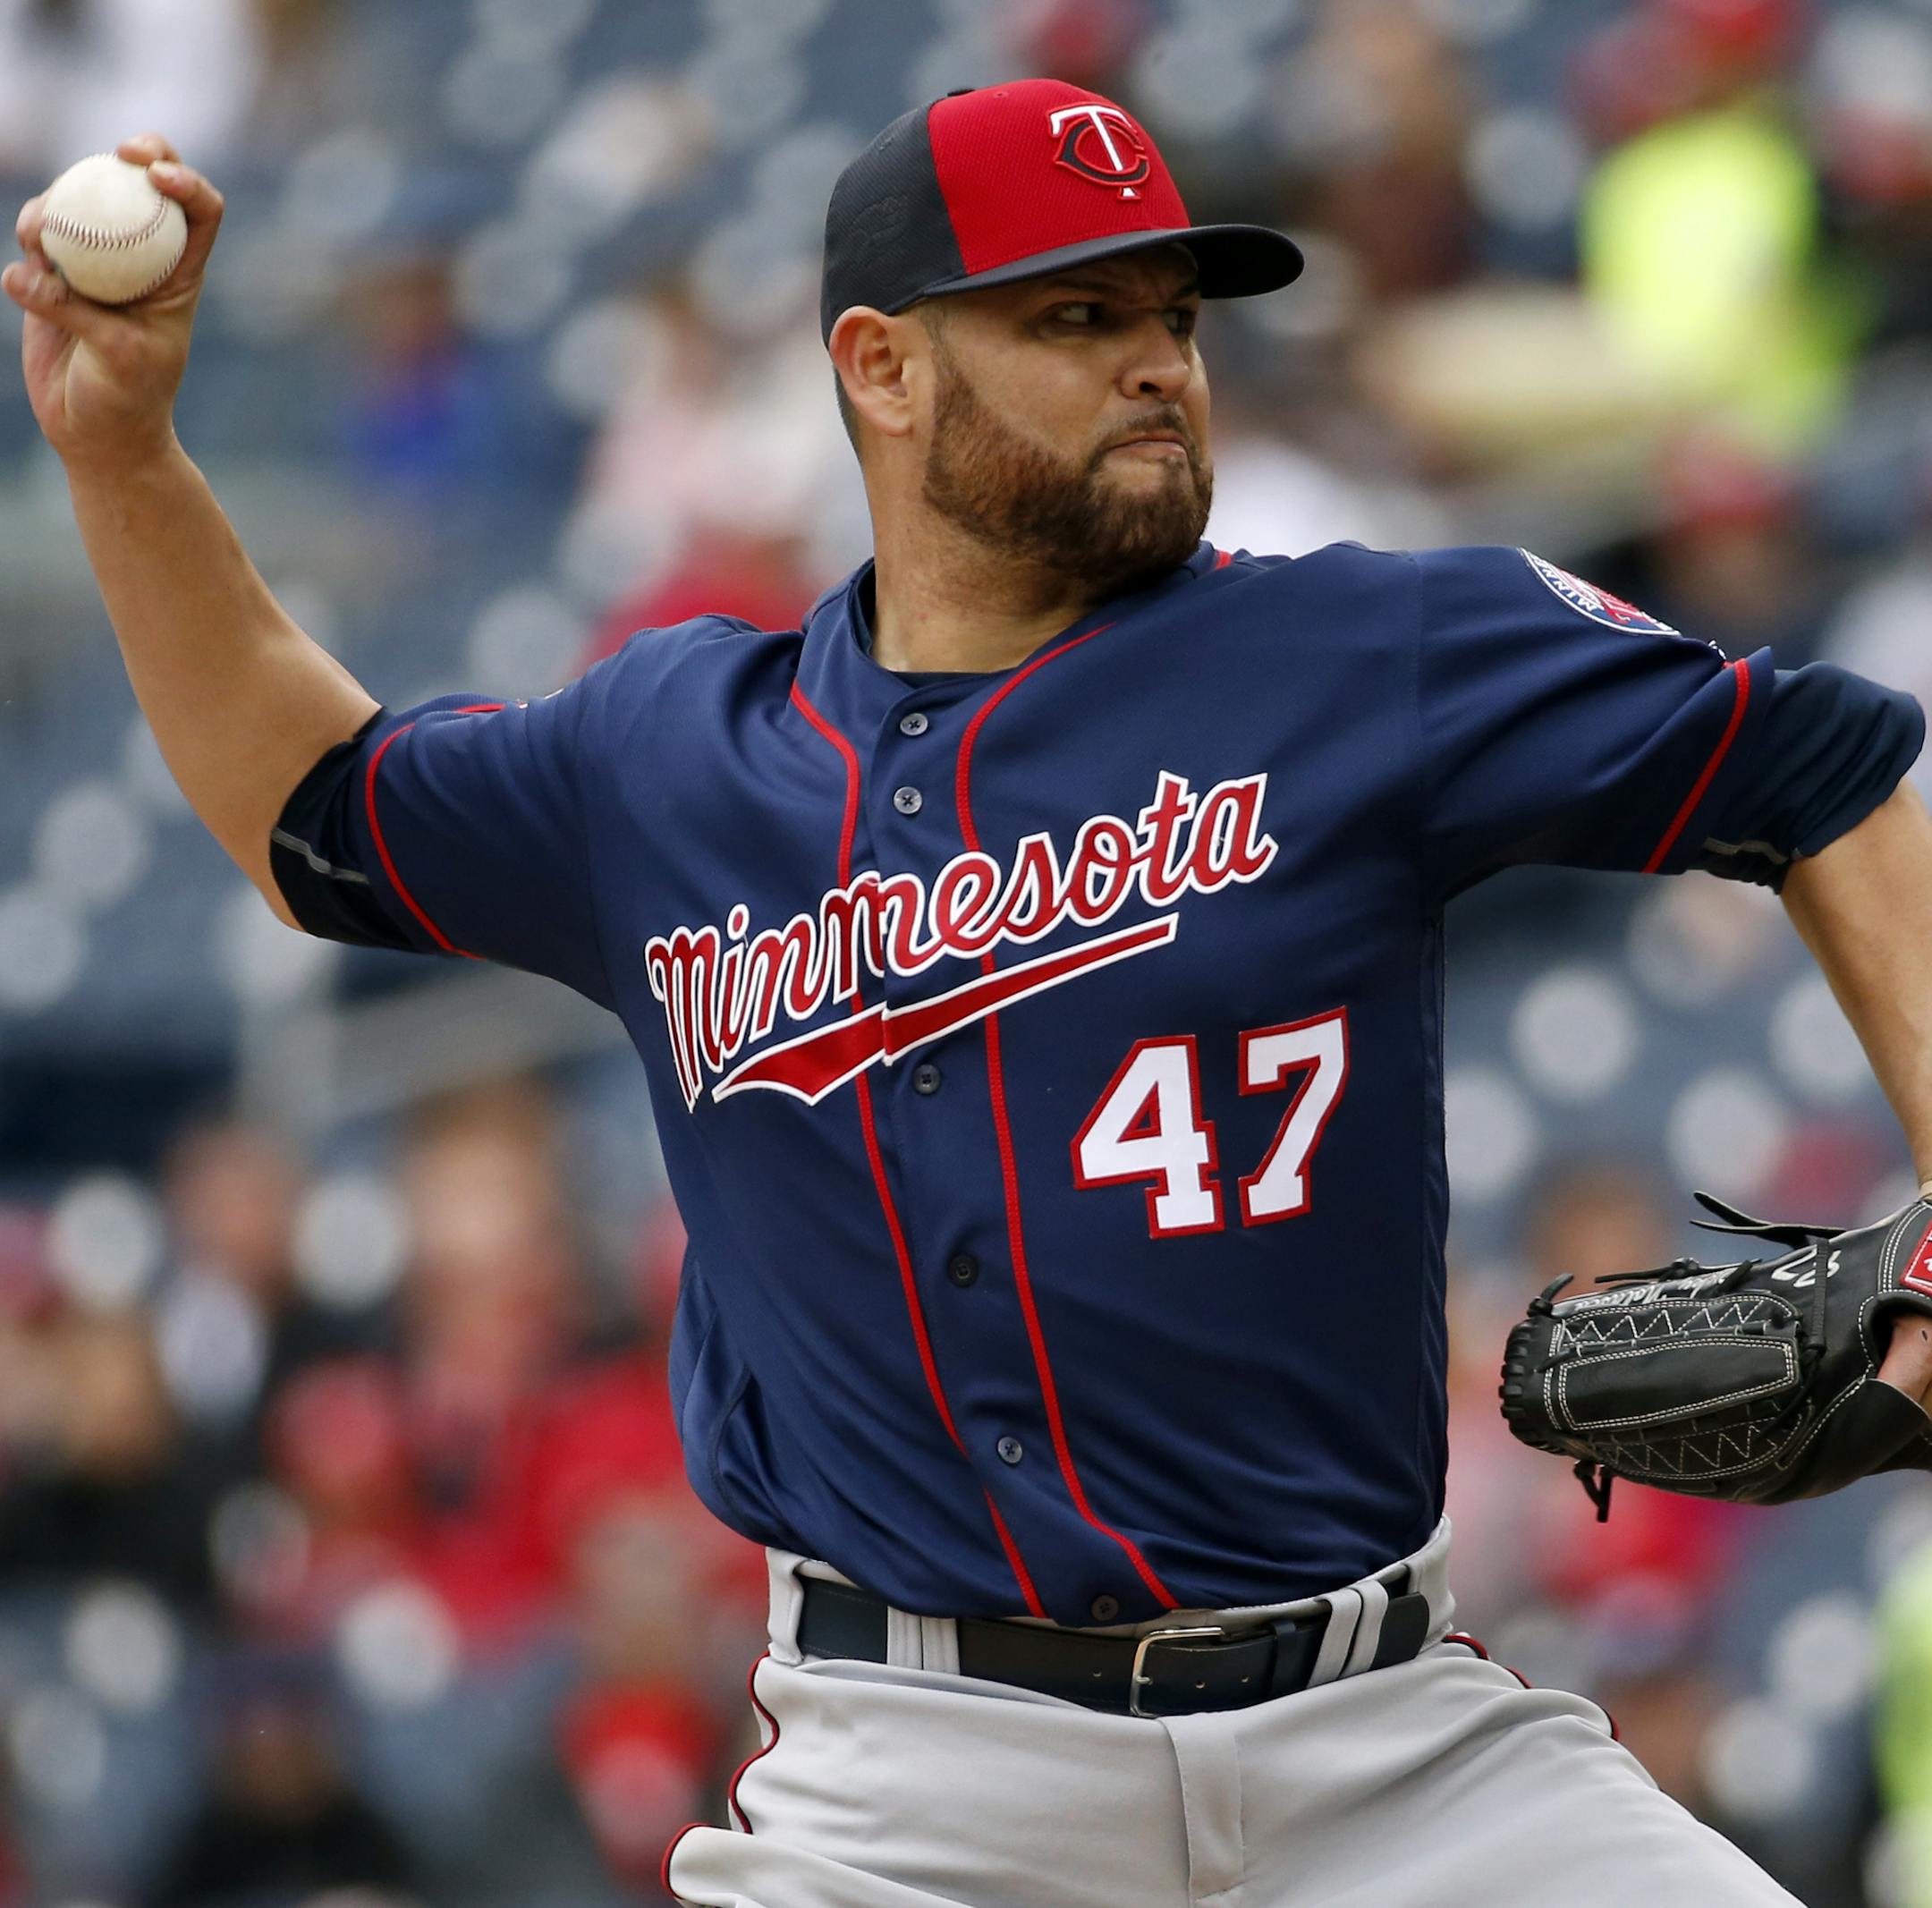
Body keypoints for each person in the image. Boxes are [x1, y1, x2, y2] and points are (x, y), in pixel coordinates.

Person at [10, 76, 1932, 1908]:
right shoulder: (674, 758)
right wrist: (126, 458)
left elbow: (1823, 770)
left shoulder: (1370, 650)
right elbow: (313, 808)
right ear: (881, 365)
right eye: (1079, 314)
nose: (1158, 363)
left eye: (1174, 314)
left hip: (1394, 1746)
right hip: (917, 1785)